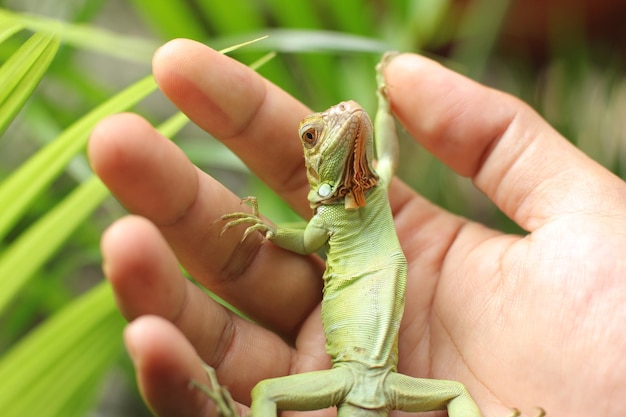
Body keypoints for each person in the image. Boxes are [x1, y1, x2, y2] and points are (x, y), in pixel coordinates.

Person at [88, 39, 626, 417]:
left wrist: (384, 107)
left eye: (347, 120)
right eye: (312, 136)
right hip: (351, 380)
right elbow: (300, 240)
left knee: (462, 396)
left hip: (392, 383)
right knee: (268, 394)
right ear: (314, 166)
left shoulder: (374, 196)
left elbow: (385, 152)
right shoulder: (329, 220)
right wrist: (263, 227)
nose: (342, 119)